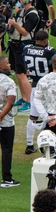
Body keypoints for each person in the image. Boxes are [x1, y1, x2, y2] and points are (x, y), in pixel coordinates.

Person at [0, 56, 16, 186]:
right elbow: (10, 102)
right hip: (6, 122)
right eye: (7, 63)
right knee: (6, 149)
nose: (9, 64)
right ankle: (6, 178)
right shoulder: (9, 82)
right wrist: (0, 116)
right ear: (1, 66)